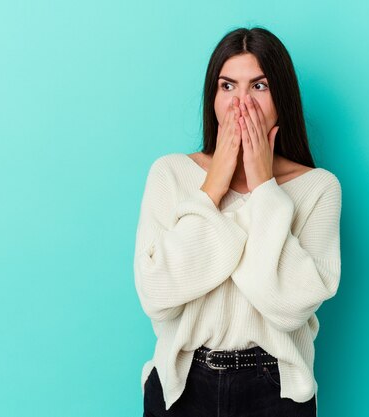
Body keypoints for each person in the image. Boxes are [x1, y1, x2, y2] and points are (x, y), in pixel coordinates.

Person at [134, 26, 342, 417]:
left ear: (282, 96)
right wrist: (212, 187)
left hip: (275, 387)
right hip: (181, 385)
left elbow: (287, 305)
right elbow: (157, 294)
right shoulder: (171, 174)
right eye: (227, 86)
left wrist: (264, 187)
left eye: (259, 86)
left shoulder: (317, 188)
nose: (240, 103)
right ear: (212, 98)